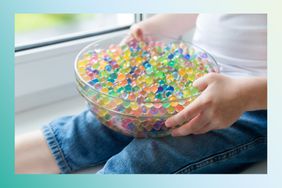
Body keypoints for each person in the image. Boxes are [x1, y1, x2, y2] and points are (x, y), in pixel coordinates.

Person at [15, 14, 267, 174]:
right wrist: (162, 24)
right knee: (88, 129)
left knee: (146, 162)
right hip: (191, 76)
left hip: (256, 106)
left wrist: (246, 94)